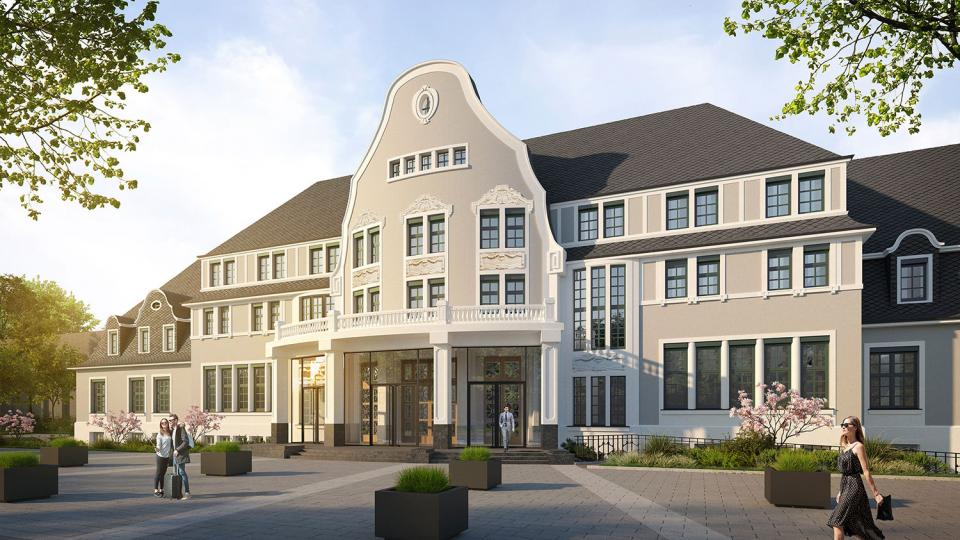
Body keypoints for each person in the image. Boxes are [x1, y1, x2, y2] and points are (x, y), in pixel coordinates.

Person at [827, 416, 884, 539]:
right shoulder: (846, 446)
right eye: (842, 424)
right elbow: (845, 473)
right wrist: (840, 491)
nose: (843, 427)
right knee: (856, 524)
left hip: (854, 486)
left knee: (836, 521)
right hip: (846, 486)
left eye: (846, 425)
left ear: (855, 428)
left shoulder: (858, 446)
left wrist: (876, 494)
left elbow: (866, 471)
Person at [169, 413, 194, 500]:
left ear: (176, 420)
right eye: (169, 420)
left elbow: (185, 441)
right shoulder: (173, 429)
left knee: (182, 472)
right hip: (175, 455)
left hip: (181, 454)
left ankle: (187, 493)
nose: (170, 422)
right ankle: (178, 493)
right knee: (177, 474)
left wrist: (177, 450)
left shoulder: (180, 428)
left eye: (171, 420)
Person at [153, 418, 173, 497]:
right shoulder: (159, 434)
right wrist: (157, 448)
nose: (164, 424)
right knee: (158, 473)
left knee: (163, 474)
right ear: (160, 425)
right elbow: (158, 445)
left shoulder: (170, 432)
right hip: (160, 456)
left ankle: (161, 489)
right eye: (162, 423)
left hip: (167, 456)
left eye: (165, 422)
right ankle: (155, 490)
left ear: (168, 423)